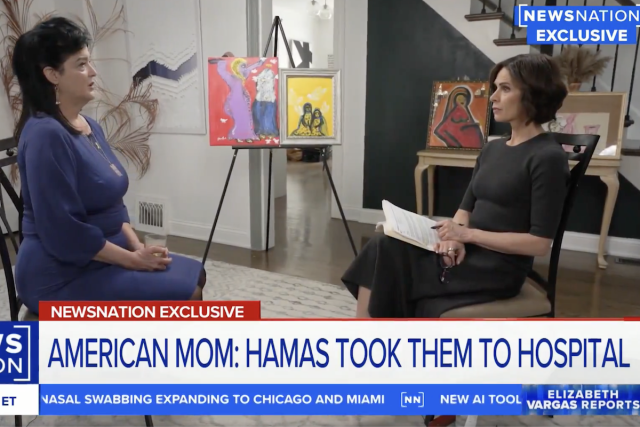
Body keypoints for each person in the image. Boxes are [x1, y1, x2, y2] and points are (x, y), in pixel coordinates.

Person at [342, 53, 570, 318]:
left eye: (505, 89)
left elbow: (538, 244)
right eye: (495, 87)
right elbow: (465, 209)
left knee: (391, 263)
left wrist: (467, 236)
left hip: (497, 269)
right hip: (467, 251)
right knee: (383, 244)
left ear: (534, 94)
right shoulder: (493, 149)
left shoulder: (548, 157)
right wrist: (453, 239)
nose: (493, 97)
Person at [12, 17, 206, 313]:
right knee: (188, 292)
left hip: (103, 254)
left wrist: (136, 246)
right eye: (81, 65)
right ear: (52, 75)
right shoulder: (45, 135)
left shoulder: (89, 125)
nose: (93, 72)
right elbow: (63, 232)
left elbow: (113, 203)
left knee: (195, 273)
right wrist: (133, 260)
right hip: (60, 274)